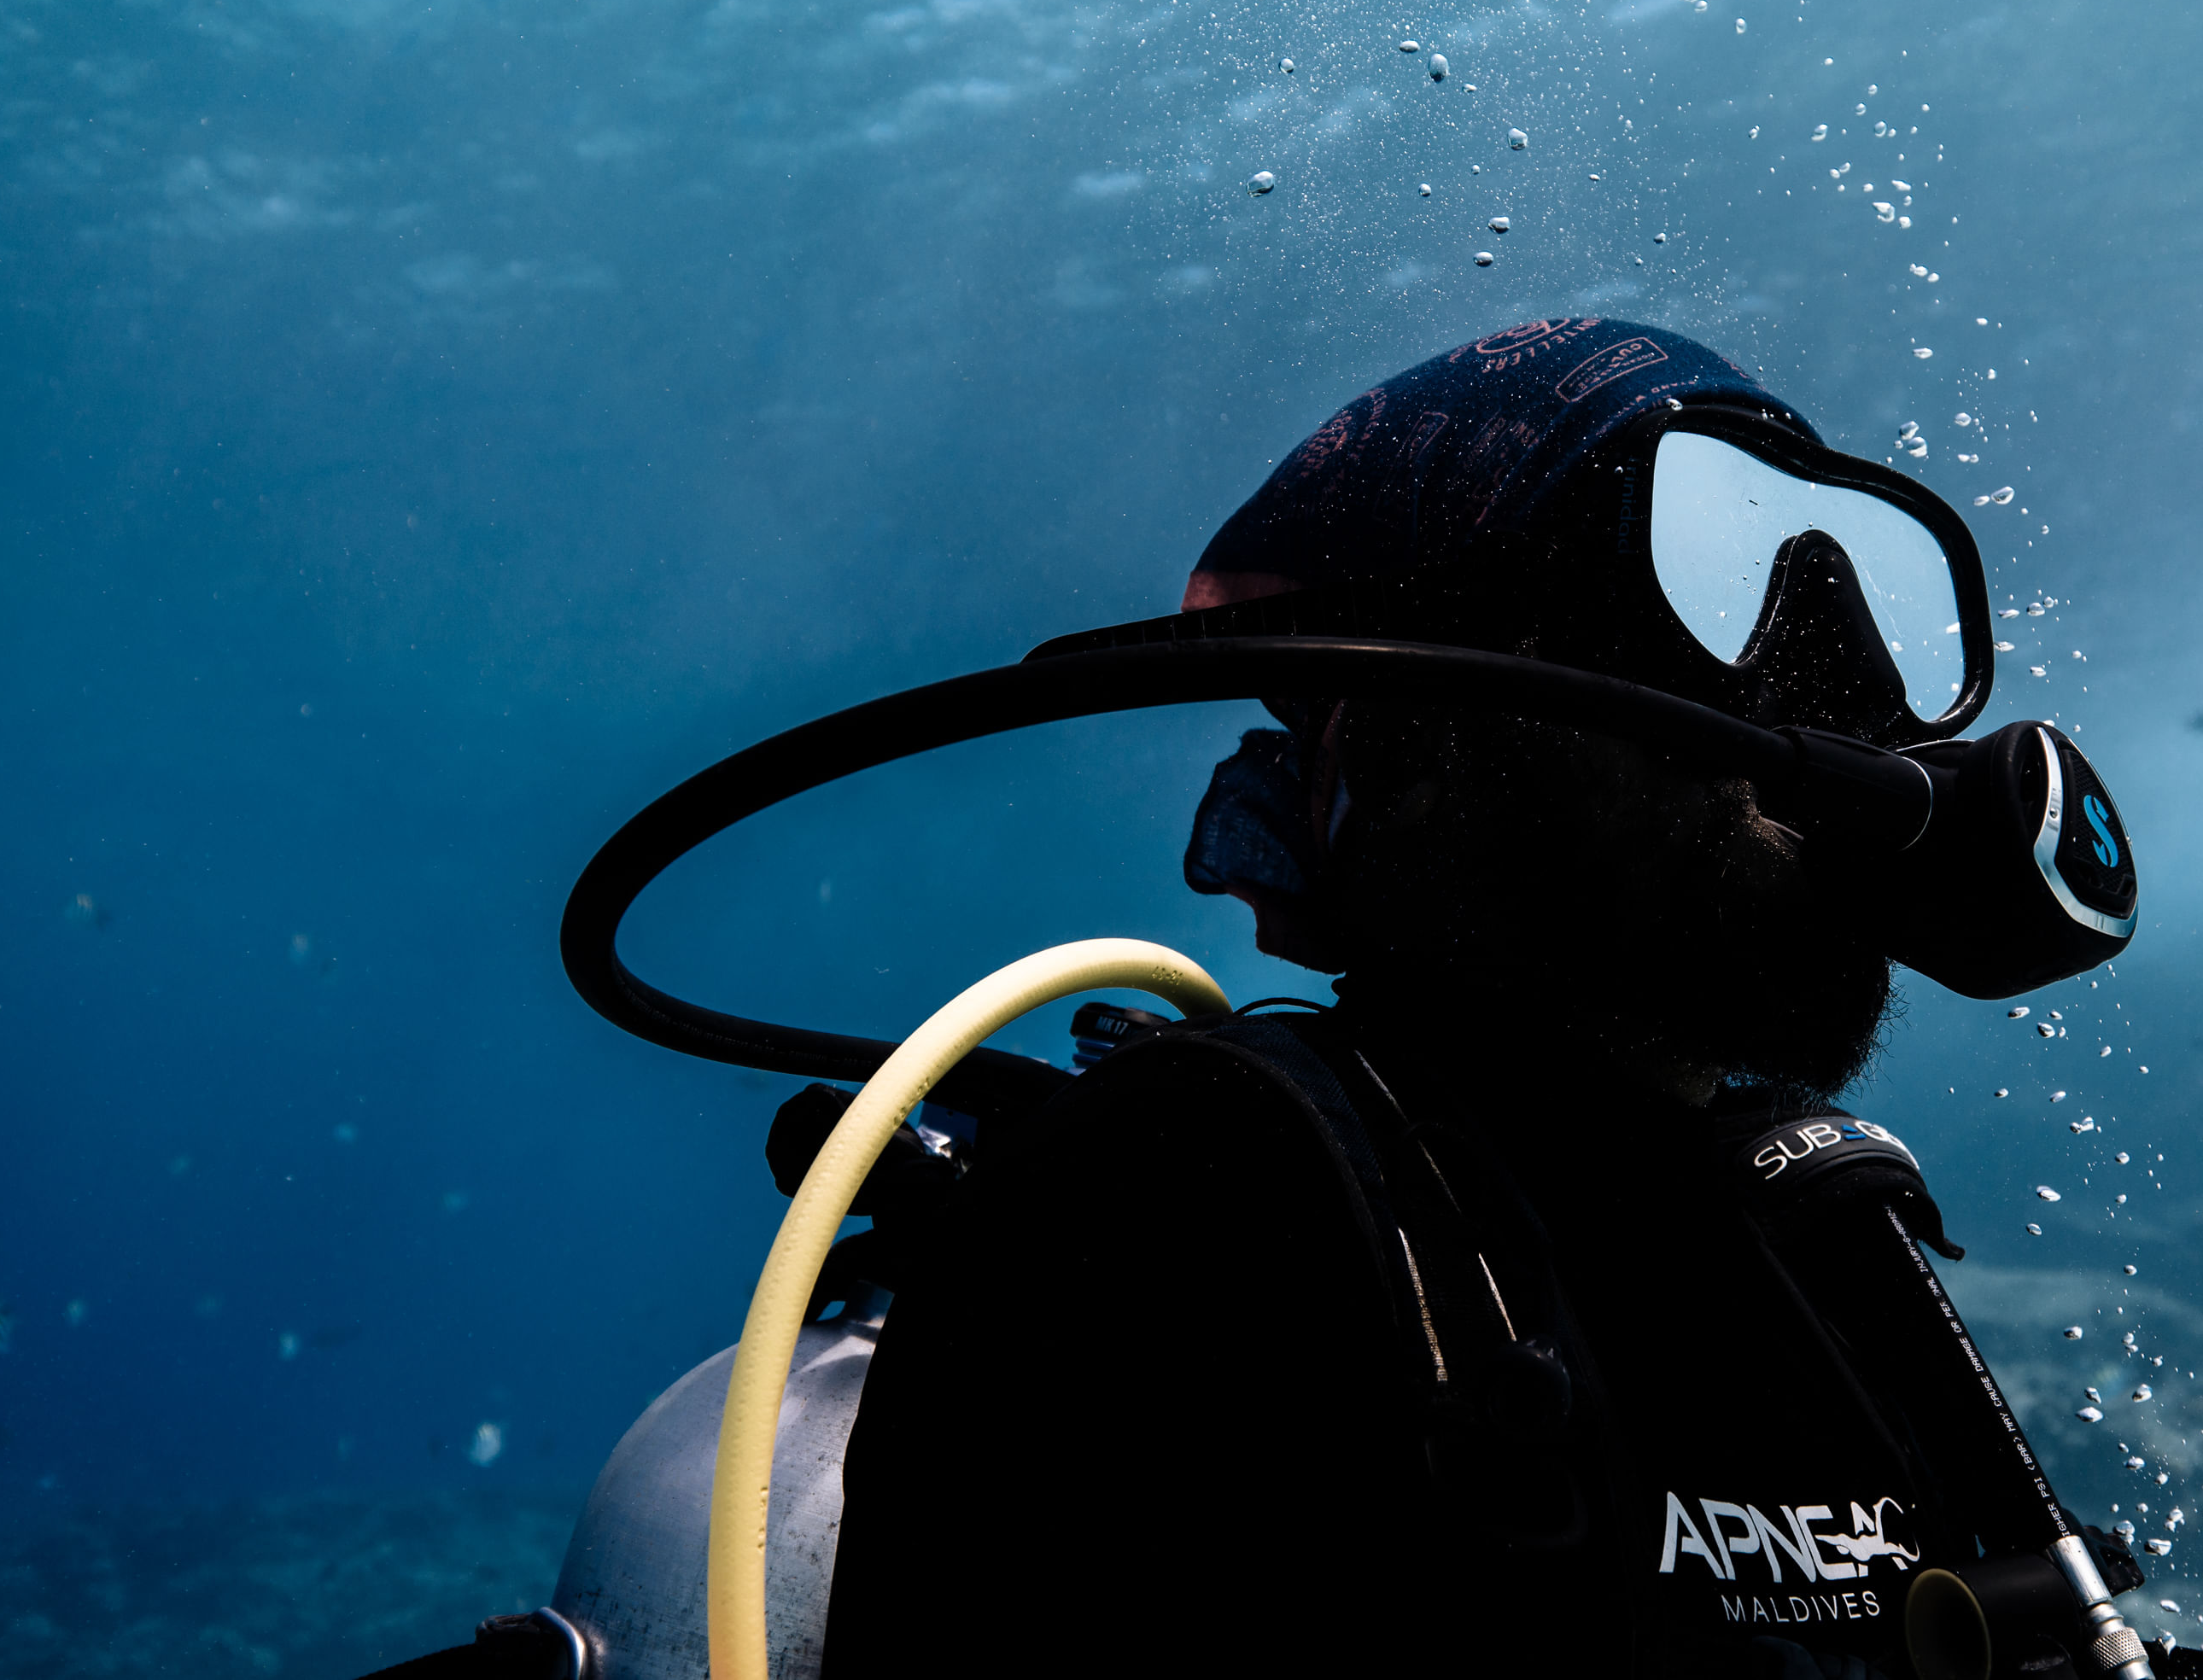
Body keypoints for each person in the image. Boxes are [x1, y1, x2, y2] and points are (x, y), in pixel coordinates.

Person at [821, 318, 2126, 1680]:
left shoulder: (1825, 1233)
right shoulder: (1185, 1198)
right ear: (1426, 734)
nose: (1842, 686)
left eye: (1865, 592)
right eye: (1716, 569)